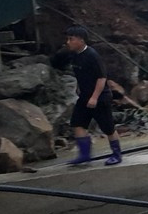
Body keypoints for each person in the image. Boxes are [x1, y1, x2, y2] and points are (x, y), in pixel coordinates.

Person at [51, 25, 123, 166]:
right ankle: (84, 155)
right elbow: (81, 74)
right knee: (77, 123)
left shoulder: (92, 55)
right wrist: (79, 87)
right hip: (84, 96)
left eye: (71, 39)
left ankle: (116, 154)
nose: (68, 42)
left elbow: (102, 78)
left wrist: (94, 97)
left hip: (100, 98)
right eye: (68, 39)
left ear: (81, 40)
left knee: (108, 128)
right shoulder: (74, 56)